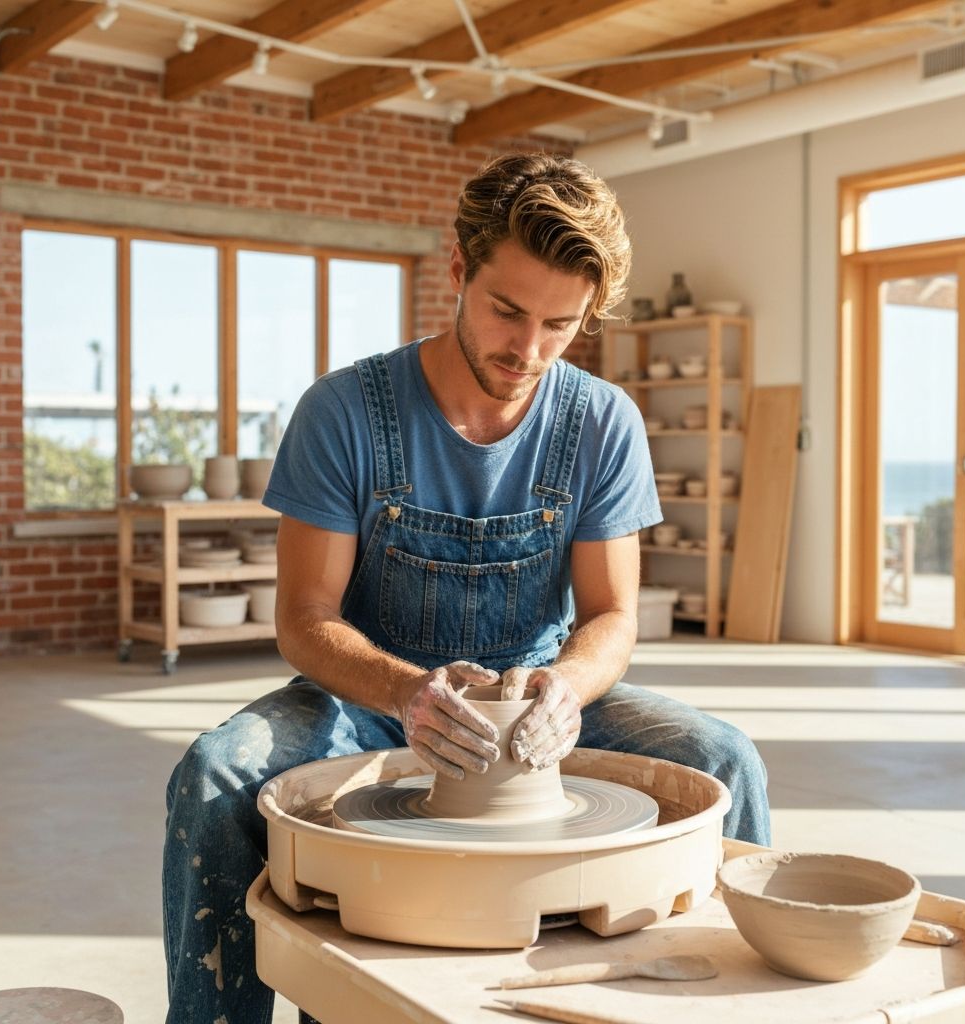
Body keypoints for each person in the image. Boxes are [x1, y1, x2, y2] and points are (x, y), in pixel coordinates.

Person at [162, 152, 770, 1024]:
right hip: (368, 691)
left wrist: (565, 688)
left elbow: (609, 617)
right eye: (506, 311)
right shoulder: (343, 411)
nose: (528, 350)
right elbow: (303, 621)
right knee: (216, 777)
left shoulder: (602, 420)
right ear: (459, 268)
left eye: (561, 325)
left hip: (536, 692)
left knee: (722, 759)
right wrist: (409, 691)